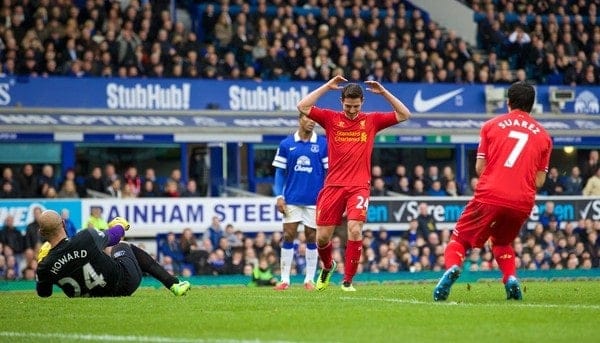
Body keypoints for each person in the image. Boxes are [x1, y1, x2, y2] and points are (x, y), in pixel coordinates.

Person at [433, 81, 552, 301]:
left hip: (491, 194)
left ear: (508, 102)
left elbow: (480, 168)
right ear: (532, 105)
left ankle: (453, 268)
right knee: (502, 242)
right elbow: (539, 181)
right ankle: (510, 279)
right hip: (522, 201)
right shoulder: (544, 136)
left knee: (459, 239)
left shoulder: (491, 126)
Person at [296, 74, 411, 291]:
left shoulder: (371, 120)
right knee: (322, 238)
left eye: (356, 106)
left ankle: (347, 281)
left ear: (362, 103)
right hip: (333, 186)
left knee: (355, 229)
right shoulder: (331, 118)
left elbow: (405, 114)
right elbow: (302, 106)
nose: (351, 110)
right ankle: (328, 266)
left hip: (359, 185)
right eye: (348, 106)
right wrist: (328, 86)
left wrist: (384, 91)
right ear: (342, 102)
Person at [35, 210, 190, 297]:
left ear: (41, 232)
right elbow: (115, 236)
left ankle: (173, 283)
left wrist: (42, 266)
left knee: (103, 252)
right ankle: (173, 284)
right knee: (122, 245)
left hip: (93, 296)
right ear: (63, 223)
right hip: (123, 283)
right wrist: (120, 224)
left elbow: (44, 293)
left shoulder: (44, 265)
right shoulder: (85, 237)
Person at [271, 112, 328, 291]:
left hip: (314, 199)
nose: (311, 122)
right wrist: (279, 196)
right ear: (300, 119)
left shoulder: (322, 143)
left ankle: (308, 279)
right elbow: (279, 172)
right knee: (288, 235)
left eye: (314, 120)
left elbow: (328, 173)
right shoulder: (286, 144)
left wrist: (327, 197)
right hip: (292, 199)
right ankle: (285, 280)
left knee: (312, 236)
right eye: (307, 118)